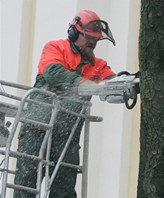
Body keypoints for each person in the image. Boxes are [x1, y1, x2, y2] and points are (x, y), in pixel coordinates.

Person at [14, 10, 116, 198]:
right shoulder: (55, 48)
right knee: (26, 185)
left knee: (64, 190)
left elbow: (112, 83)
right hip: (38, 126)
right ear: (74, 33)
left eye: (96, 40)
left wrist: (129, 83)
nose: (93, 43)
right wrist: (82, 84)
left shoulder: (98, 65)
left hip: (67, 136)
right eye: (89, 38)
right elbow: (52, 71)